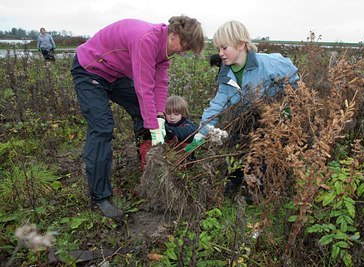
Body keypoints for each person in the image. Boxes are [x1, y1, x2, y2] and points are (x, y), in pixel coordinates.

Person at [70, 16, 205, 222]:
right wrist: (153, 126)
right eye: (183, 46)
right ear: (175, 34)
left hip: (115, 75)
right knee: (103, 128)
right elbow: (143, 88)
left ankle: (149, 166)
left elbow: (160, 84)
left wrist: (159, 118)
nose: (183, 52)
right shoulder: (146, 40)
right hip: (90, 70)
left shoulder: (164, 50)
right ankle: (100, 197)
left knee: (147, 112)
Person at [189, 20, 299, 199]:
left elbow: (294, 79)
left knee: (260, 152)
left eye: (224, 48)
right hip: (242, 118)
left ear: (241, 44)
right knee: (237, 146)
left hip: (268, 117)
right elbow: (219, 103)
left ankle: (254, 189)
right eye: (218, 49)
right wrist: (201, 132)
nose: (220, 53)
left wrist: (287, 109)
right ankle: (235, 180)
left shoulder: (269, 64)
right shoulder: (226, 73)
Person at [139, 95, 197, 171]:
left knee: (185, 144)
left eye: (176, 114)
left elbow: (188, 133)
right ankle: (149, 170)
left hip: (178, 155)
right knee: (147, 144)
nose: (172, 117)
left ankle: (177, 171)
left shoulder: (188, 124)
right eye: (168, 113)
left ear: (183, 113)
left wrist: (169, 131)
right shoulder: (162, 122)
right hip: (163, 153)